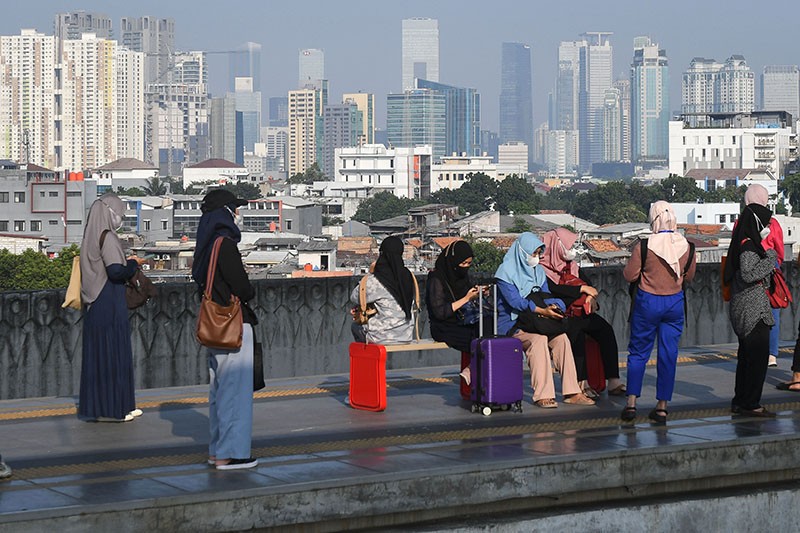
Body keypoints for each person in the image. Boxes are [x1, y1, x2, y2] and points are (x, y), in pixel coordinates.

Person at [192, 189, 258, 470]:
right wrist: (248, 290)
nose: (238, 214)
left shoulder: (205, 247)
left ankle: (216, 450)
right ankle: (230, 455)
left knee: (219, 393)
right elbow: (242, 287)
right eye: (235, 208)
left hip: (213, 328)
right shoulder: (225, 245)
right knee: (235, 393)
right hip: (232, 326)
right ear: (226, 212)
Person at [494, 232, 595, 408]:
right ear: (522, 251)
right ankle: (543, 394)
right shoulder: (505, 273)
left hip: (538, 322)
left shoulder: (538, 271)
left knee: (562, 339)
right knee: (538, 341)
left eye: (538, 253)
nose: (536, 257)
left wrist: (556, 306)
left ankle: (573, 392)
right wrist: (542, 310)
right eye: (533, 253)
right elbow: (516, 302)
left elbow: (546, 294)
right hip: (515, 324)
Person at [622, 201, 696, 423]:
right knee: (668, 354)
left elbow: (629, 275)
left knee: (638, 352)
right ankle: (662, 406)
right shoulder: (688, 246)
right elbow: (689, 277)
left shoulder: (644, 246)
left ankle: (631, 403)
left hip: (648, 301)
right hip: (674, 302)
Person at [79, 193, 146, 423]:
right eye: (119, 213)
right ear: (109, 213)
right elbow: (116, 271)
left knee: (98, 358)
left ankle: (101, 407)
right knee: (114, 354)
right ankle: (117, 408)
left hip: (95, 302)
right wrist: (133, 263)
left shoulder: (89, 236)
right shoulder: (107, 236)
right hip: (108, 300)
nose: (120, 218)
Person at [540, 228, 625, 397]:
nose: (571, 250)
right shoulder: (542, 269)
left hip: (580, 311)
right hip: (559, 314)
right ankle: (582, 382)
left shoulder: (572, 266)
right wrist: (580, 290)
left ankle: (613, 379)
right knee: (576, 334)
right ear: (556, 246)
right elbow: (553, 289)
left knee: (605, 330)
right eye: (567, 246)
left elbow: (589, 285)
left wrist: (590, 297)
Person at [724, 199, 777, 417]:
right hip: (753, 310)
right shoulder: (748, 247)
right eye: (765, 223)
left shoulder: (742, 243)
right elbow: (748, 274)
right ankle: (751, 403)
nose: (767, 228)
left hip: (745, 307)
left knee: (746, 358)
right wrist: (770, 259)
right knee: (757, 360)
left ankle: (741, 400)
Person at [426, 240, 483, 400]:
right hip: (443, 326)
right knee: (478, 341)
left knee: (489, 331)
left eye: (469, 263)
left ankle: (472, 373)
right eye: (463, 263)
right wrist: (466, 299)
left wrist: (478, 294)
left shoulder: (462, 277)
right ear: (453, 261)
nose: (465, 267)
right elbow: (440, 312)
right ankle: (472, 375)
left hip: (463, 321)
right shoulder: (436, 279)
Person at [741, 184, 784, 368]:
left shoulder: (741, 222)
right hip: (771, 268)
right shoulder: (773, 224)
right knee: (773, 310)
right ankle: (771, 354)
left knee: (748, 311)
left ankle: (749, 350)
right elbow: (780, 252)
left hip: (748, 266)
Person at [350, 236, 417, 344]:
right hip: (406, 335)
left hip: (381, 337)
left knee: (355, 326)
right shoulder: (408, 276)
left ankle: (367, 355)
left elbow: (355, 297)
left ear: (382, 254)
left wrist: (370, 273)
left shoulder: (376, 280)